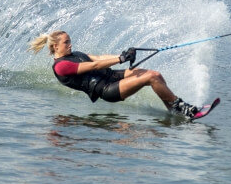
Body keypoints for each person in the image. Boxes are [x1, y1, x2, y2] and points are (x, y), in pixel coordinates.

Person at [29, 30, 199, 118]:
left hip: (112, 76)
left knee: (155, 74)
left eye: (70, 41)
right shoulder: (61, 66)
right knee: (150, 77)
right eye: (67, 42)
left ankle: (173, 109)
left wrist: (125, 56)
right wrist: (120, 58)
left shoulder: (75, 55)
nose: (70, 45)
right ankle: (182, 107)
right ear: (55, 47)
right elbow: (93, 65)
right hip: (107, 89)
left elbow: (100, 58)